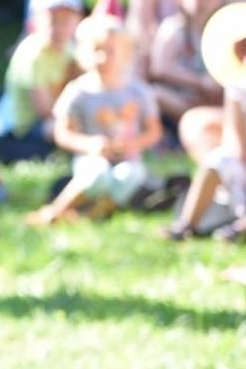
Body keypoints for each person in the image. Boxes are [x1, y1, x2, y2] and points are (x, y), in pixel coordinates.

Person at [26, 15, 162, 225]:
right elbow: (62, 132)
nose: (103, 57)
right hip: (91, 159)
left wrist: (132, 144)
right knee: (97, 174)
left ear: (125, 54)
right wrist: (89, 145)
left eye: (111, 51)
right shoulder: (78, 91)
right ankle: (56, 211)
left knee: (129, 176)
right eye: (97, 50)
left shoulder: (138, 92)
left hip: (128, 159)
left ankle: (91, 216)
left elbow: (154, 131)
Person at [163, 4, 246, 242]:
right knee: (216, 161)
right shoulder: (239, 91)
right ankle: (187, 224)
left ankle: (242, 230)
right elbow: (238, 141)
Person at [0, 0, 83, 163]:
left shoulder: (70, 50)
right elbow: (44, 110)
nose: (59, 27)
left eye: (66, 20)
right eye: (52, 20)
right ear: (34, 22)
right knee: (59, 127)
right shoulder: (32, 55)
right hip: (23, 131)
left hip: (54, 119)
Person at [147, 0, 226, 135]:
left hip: (215, 98)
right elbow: (159, 68)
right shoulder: (174, 28)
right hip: (183, 98)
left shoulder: (223, 29)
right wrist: (198, 83)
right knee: (155, 94)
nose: (203, 0)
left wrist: (217, 85)